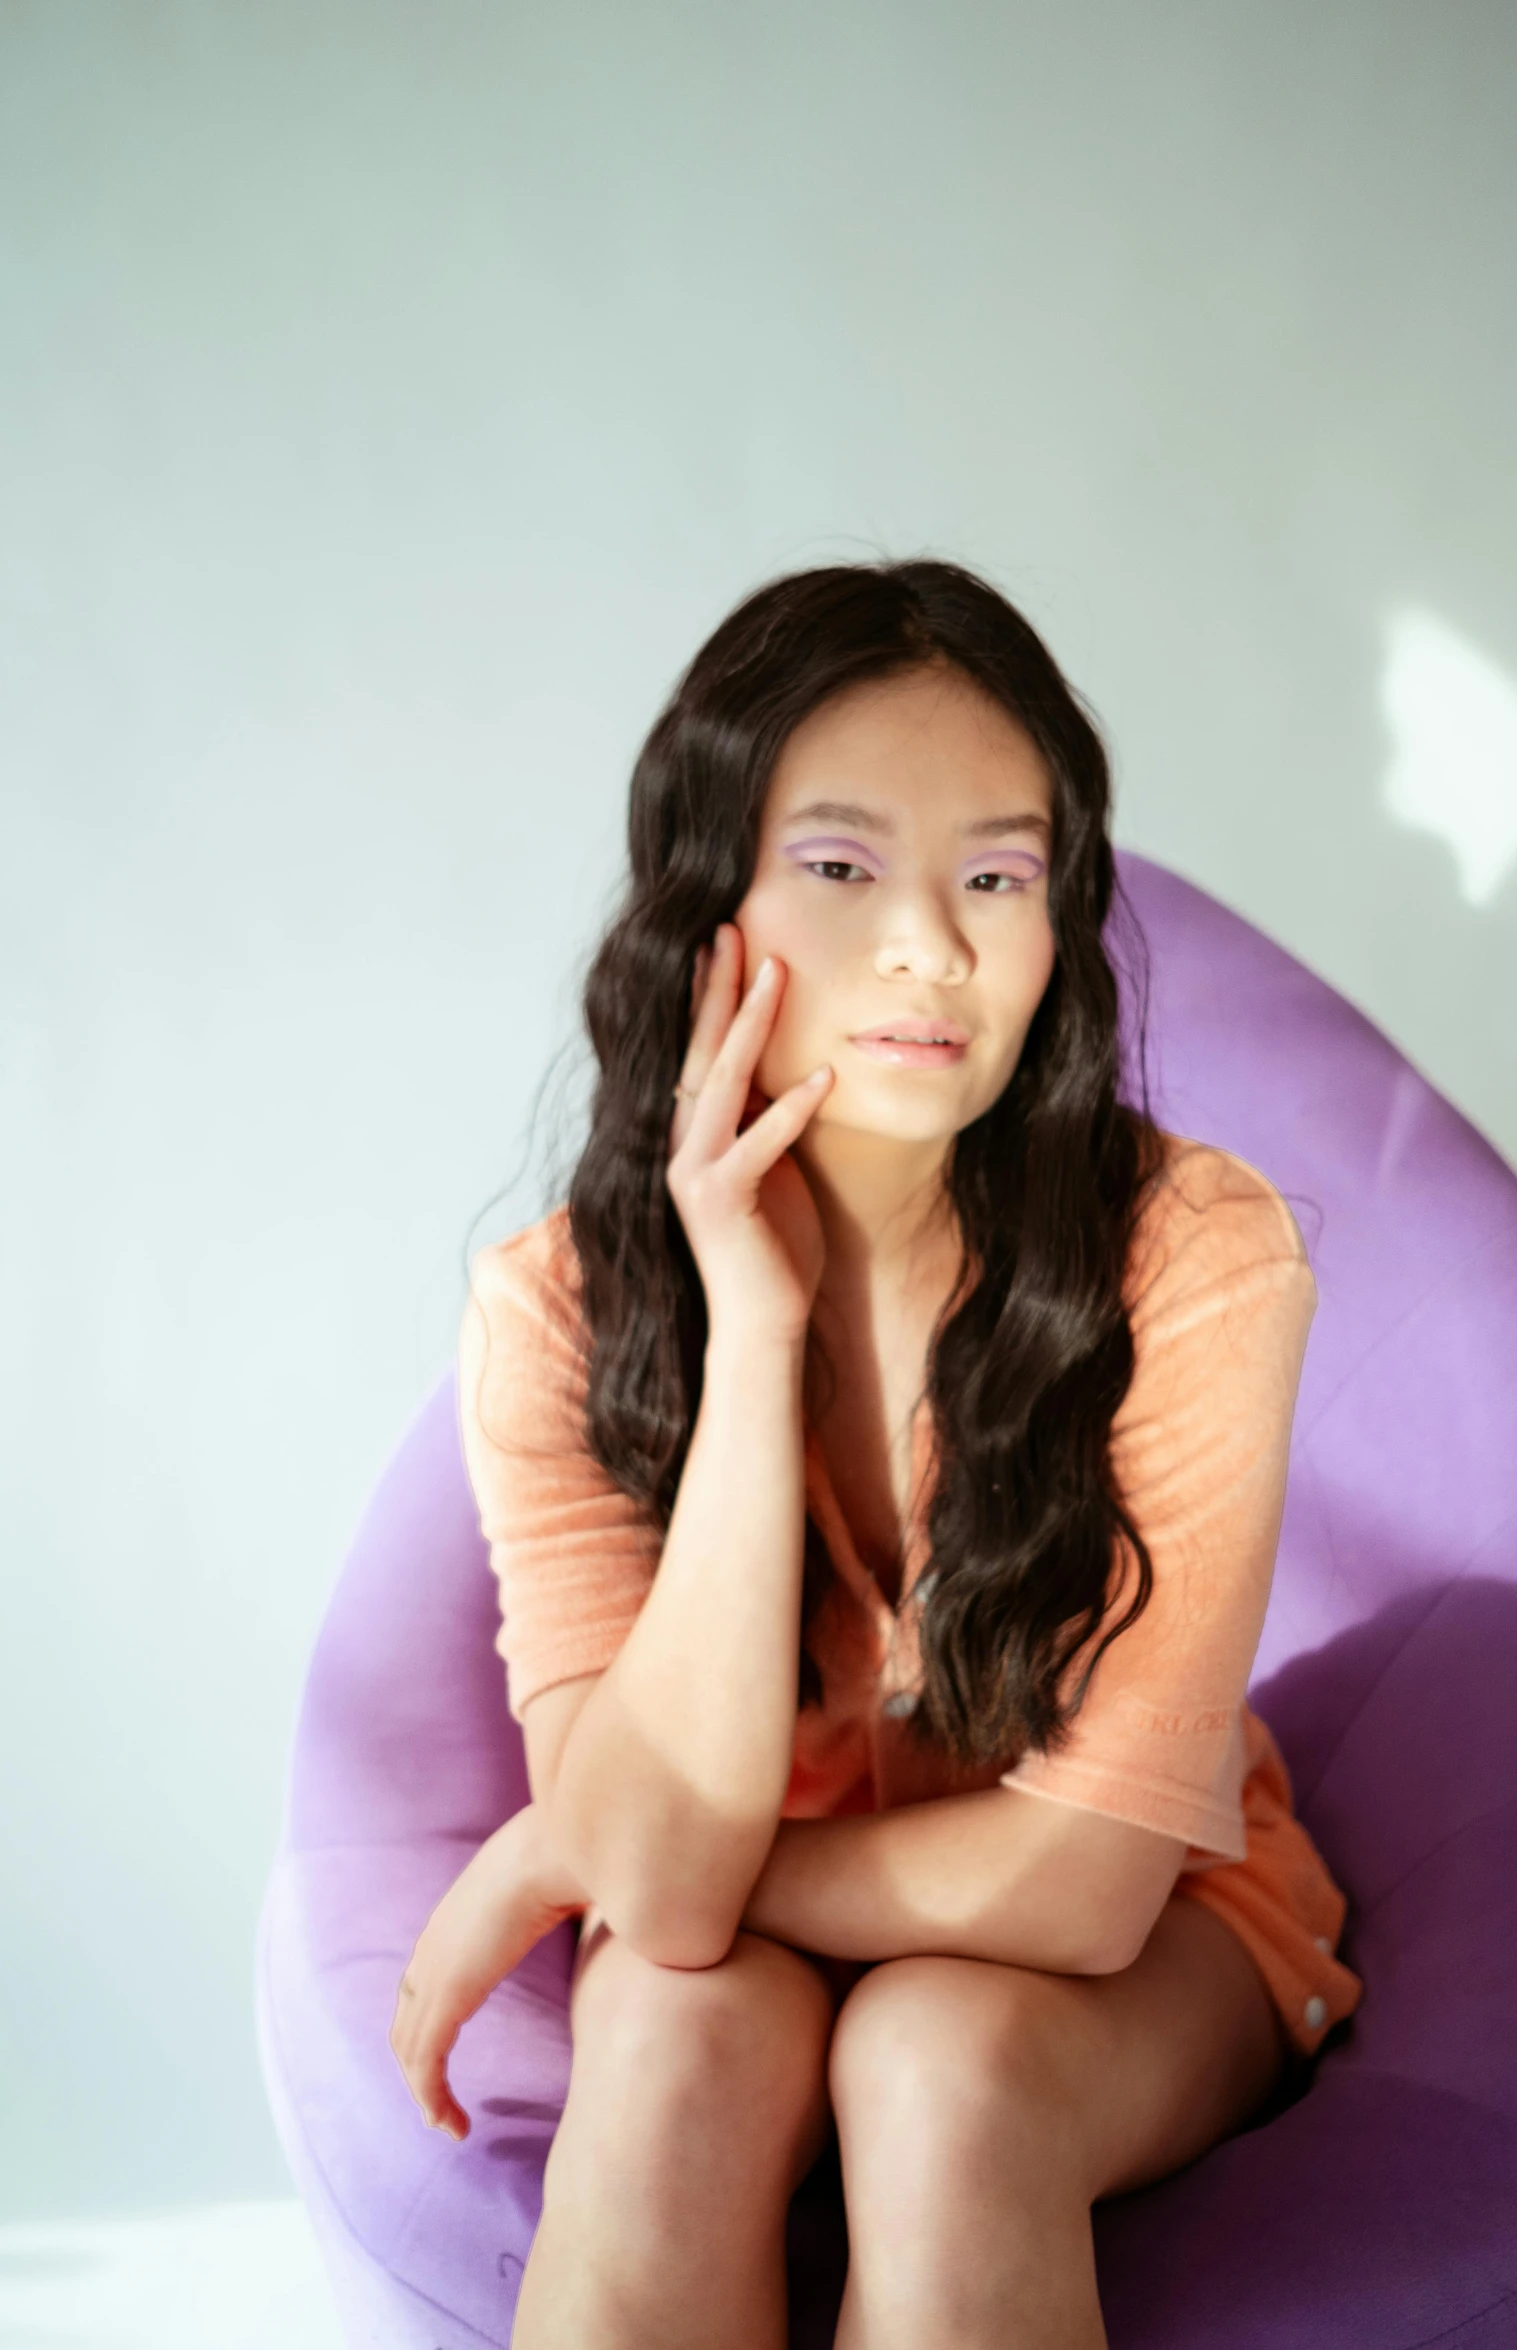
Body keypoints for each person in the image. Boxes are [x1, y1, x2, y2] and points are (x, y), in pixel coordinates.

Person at [389, 558, 1363, 2350]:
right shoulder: (551, 1315)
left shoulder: (1197, 1256)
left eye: (996, 875)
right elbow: (671, 1912)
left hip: (1136, 1935)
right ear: (708, 913)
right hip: (729, 1960)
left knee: (936, 2056)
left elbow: (1081, 1888)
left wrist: (560, 1854)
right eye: (840, 868)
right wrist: (751, 1335)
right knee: (677, 2035)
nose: (930, 943)